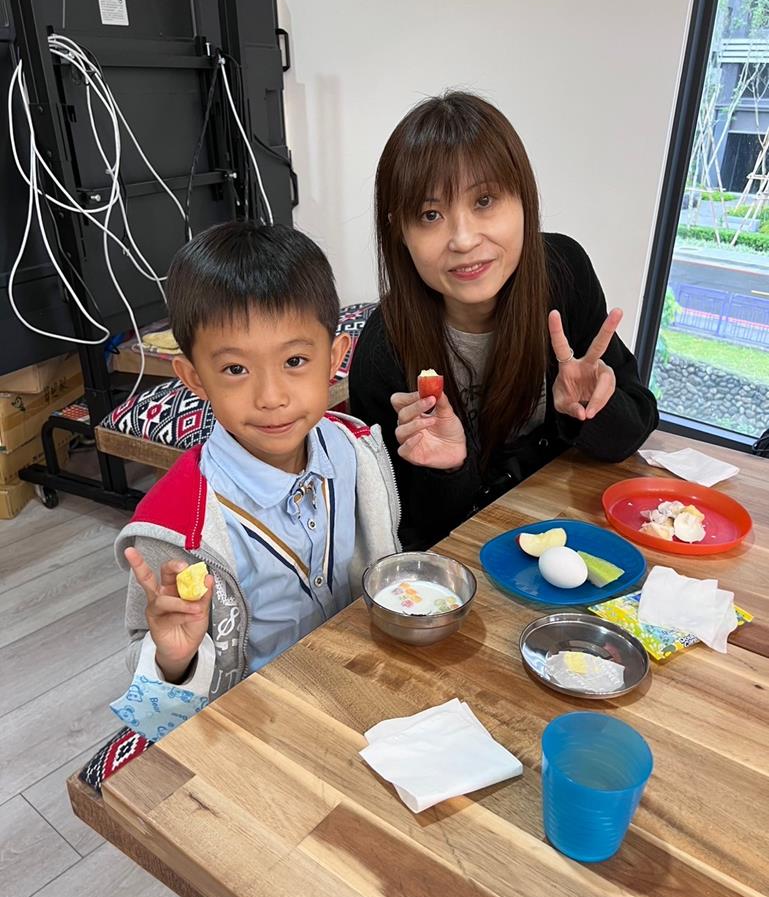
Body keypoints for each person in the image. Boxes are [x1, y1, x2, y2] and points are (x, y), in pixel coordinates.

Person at [109, 221, 400, 741]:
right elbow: (156, 710)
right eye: (235, 370)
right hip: (255, 728)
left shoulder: (355, 450)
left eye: (295, 361)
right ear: (194, 378)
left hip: (362, 683)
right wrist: (173, 659)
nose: (271, 397)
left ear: (335, 359)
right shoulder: (178, 526)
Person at [349, 91, 658, 549]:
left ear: (524, 200)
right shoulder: (384, 350)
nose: (463, 239)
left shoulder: (563, 274)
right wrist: (449, 469)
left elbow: (632, 432)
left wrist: (592, 409)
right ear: (400, 232)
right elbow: (398, 528)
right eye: (431, 215)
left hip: (568, 530)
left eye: (485, 200)